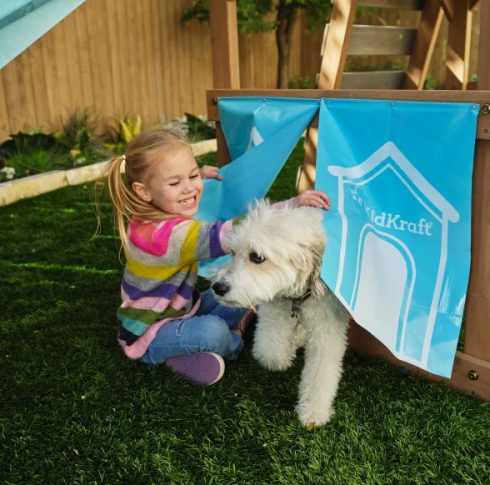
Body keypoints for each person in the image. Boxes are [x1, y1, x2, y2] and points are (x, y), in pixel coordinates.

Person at [106, 129, 330, 386]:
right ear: (145, 192)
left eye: (191, 176)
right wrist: (289, 205)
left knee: (237, 296)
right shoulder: (168, 237)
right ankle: (224, 343)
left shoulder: (148, 210)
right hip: (151, 333)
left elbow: (172, 187)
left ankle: (200, 341)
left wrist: (195, 176)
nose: (189, 187)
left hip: (183, 307)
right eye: (175, 183)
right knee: (213, 331)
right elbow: (234, 232)